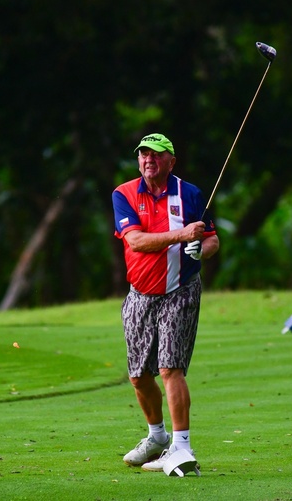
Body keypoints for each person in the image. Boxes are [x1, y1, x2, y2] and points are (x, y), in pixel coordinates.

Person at [111, 132, 219, 472]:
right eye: (144, 154)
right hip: (140, 294)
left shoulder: (190, 194)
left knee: (170, 368)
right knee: (139, 375)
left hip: (180, 290)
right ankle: (157, 437)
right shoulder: (124, 194)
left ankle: (181, 447)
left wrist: (200, 250)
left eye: (157, 155)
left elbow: (212, 240)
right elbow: (137, 241)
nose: (149, 160)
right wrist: (183, 235)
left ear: (171, 161)